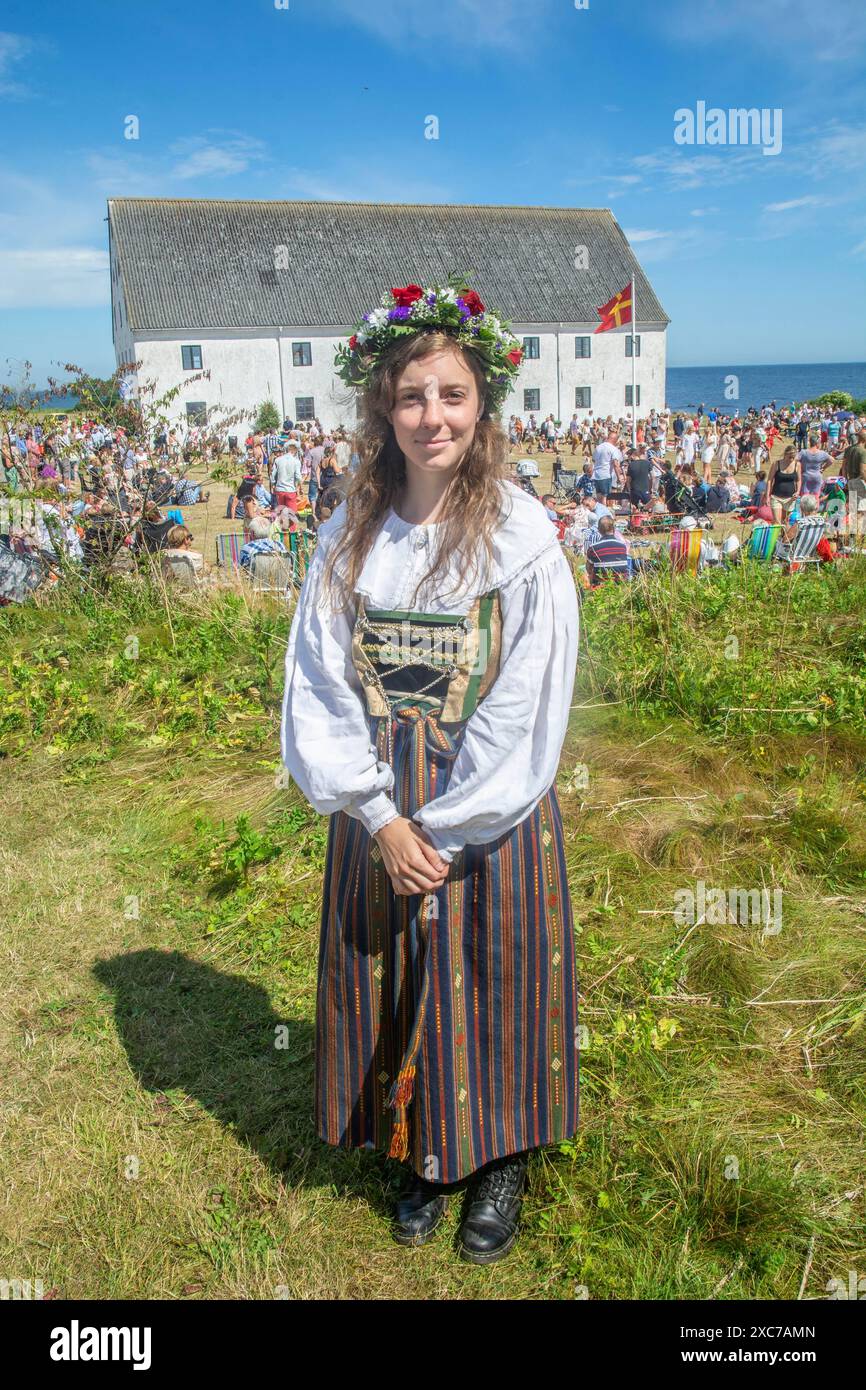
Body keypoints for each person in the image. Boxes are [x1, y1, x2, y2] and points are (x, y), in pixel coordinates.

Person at [280, 279, 580, 1265]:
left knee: (494, 973)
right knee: (401, 971)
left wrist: (445, 826)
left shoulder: (520, 539)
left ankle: (499, 1156)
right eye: (411, 397)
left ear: (481, 403)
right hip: (381, 801)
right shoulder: (348, 536)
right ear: (383, 409)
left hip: (487, 807)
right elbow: (319, 684)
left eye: (450, 394)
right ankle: (422, 1150)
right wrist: (378, 814)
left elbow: (525, 701)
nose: (430, 415)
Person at [766, 445, 801, 523]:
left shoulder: (797, 464)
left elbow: (799, 480)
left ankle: (783, 535)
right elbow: (769, 480)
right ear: (785, 454)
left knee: (785, 521)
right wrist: (767, 496)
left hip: (790, 498)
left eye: (793, 457)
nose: (791, 459)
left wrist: (798, 491)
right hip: (776, 497)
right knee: (778, 521)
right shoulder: (776, 464)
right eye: (789, 457)